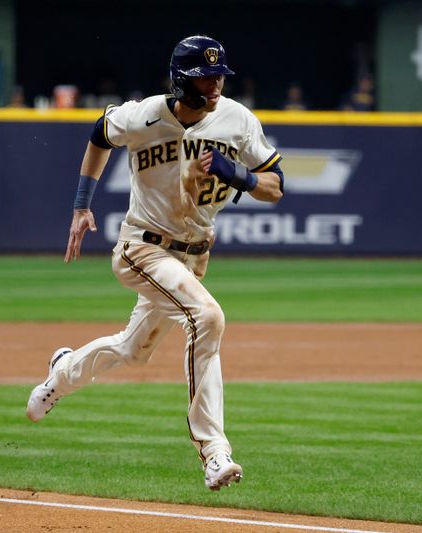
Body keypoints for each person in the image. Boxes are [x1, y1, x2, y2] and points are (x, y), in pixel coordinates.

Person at [26, 35, 284, 491]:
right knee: (207, 317)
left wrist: (236, 173)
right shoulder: (142, 115)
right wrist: (81, 205)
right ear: (182, 83)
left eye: (220, 75)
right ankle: (214, 451)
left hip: (194, 256)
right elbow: (99, 133)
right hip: (141, 248)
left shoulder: (237, 119)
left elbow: (275, 186)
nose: (217, 86)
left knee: (133, 351)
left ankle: (62, 373)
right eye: (206, 78)